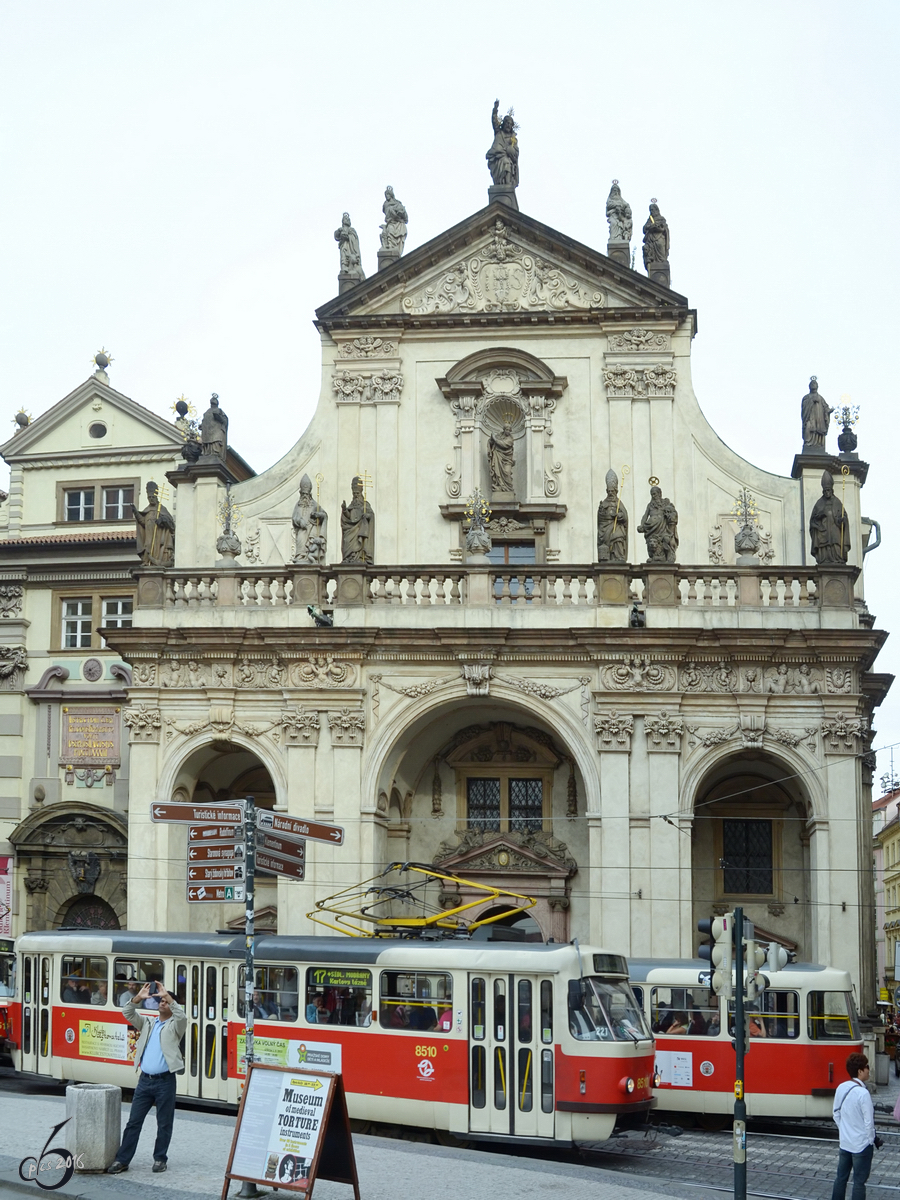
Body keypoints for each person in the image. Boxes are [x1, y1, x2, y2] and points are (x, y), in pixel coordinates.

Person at [107, 982, 187, 1176]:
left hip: (165, 1081)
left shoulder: (176, 1026)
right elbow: (127, 1012)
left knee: (164, 1123)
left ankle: (160, 1159)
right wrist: (137, 999)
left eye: (166, 1001)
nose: (162, 1003)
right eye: (160, 1000)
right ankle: (122, 1160)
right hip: (145, 1081)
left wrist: (168, 996)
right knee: (134, 1122)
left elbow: (182, 1015)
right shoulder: (148, 1022)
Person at [831, 1052, 877, 1200]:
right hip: (861, 1145)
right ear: (860, 1071)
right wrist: (870, 1140)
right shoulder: (863, 1093)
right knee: (859, 1182)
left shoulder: (841, 1087)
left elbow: (835, 1114)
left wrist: (844, 1130)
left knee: (841, 1178)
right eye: (867, 1067)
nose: (868, 1070)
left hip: (845, 1143)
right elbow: (869, 1122)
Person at [133, 482, 175, 567]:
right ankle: (146, 562)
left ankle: (155, 562)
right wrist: (136, 512)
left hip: (158, 536)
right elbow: (143, 522)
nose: (151, 499)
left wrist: (162, 520)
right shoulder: (147, 510)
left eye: (153, 497)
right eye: (149, 497)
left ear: (156, 497)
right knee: (147, 545)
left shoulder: (161, 509)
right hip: (148, 534)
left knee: (156, 548)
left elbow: (171, 523)